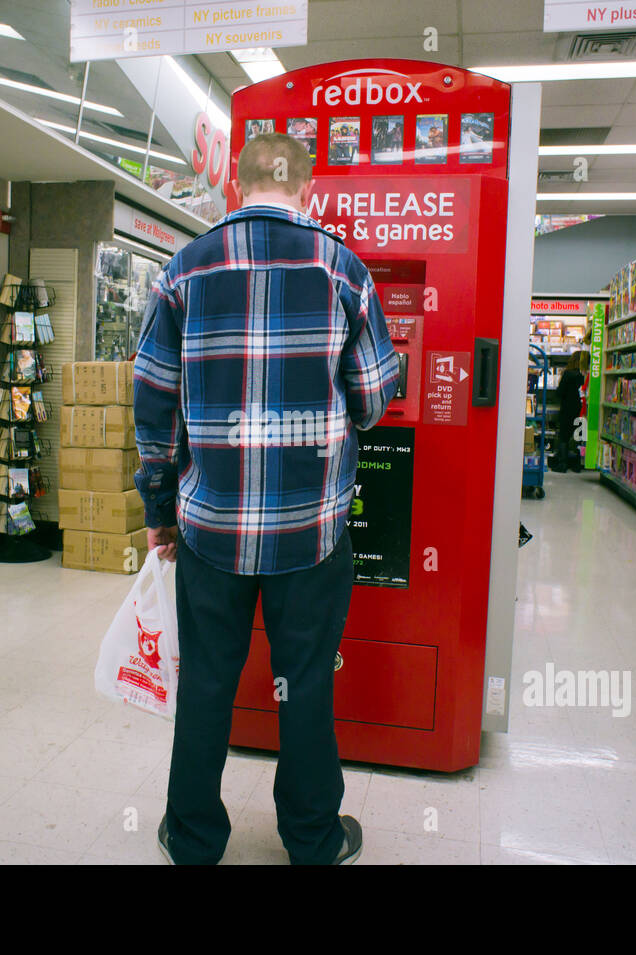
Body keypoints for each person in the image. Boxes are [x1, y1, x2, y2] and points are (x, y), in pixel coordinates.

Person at [134, 132, 400, 866]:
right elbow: (375, 397)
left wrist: (159, 507)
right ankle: (312, 839)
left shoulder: (182, 270)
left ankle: (192, 839)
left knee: (208, 685)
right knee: (306, 686)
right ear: (305, 188)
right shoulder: (341, 266)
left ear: (236, 186)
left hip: (209, 529)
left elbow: (153, 400)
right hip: (311, 532)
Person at [550, 349, 590, 473]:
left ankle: (563, 464)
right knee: (578, 437)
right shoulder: (584, 376)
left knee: (564, 436)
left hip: (567, 409)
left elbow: (560, 392)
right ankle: (577, 464)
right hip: (581, 409)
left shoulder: (567, 374)